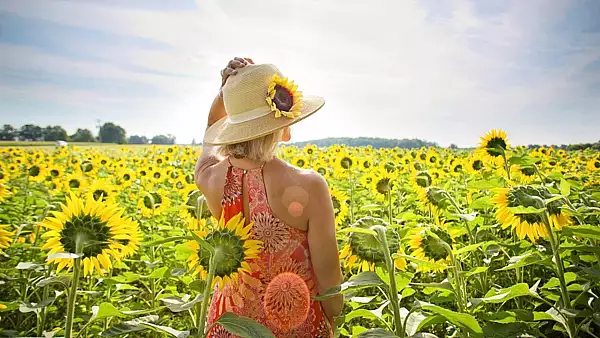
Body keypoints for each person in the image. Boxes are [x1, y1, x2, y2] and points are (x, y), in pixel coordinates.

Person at [194, 57, 343, 337]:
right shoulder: (309, 185)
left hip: (228, 325)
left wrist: (225, 93)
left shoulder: (211, 178)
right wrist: (334, 318)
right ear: (281, 124)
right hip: (296, 325)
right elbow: (329, 283)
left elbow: (208, 141)